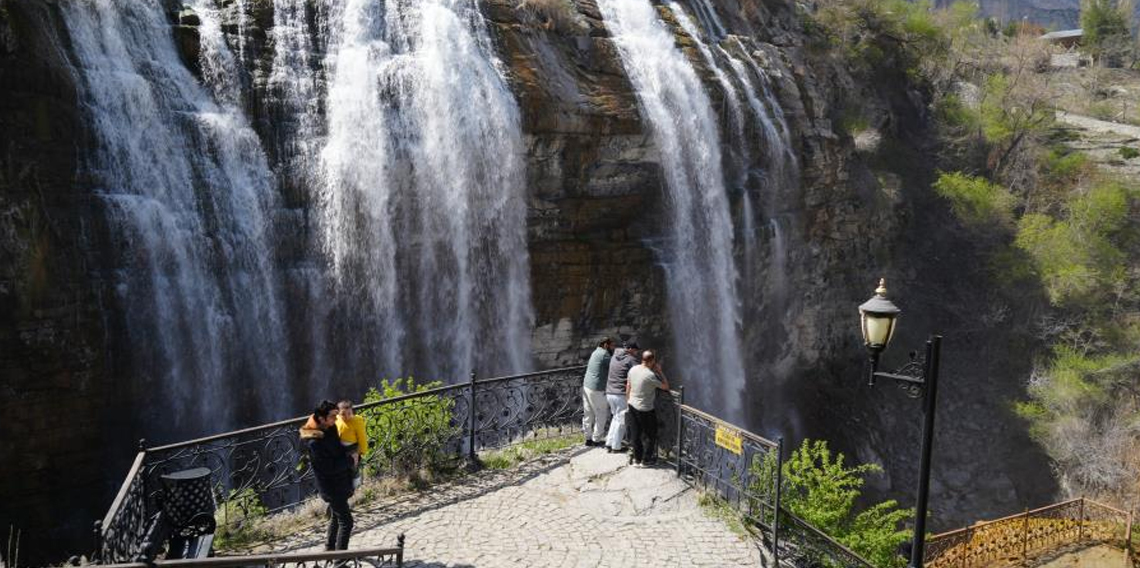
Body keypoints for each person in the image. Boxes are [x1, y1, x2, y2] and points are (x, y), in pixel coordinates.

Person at [300, 400, 354, 550]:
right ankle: (339, 562)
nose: (336, 419)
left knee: (337, 517)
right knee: (347, 522)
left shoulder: (331, 428)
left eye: (337, 415)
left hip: (340, 481)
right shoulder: (314, 443)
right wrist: (349, 460)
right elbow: (328, 468)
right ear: (321, 418)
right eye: (332, 416)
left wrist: (351, 452)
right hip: (331, 487)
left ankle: (329, 549)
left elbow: (338, 450)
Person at [626, 350, 670, 467]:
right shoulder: (650, 375)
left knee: (636, 434)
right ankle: (646, 460)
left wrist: (627, 401)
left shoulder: (633, 369)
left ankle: (637, 459)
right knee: (651, 434)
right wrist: (660, 371)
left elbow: (628, 387)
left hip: (632, 405)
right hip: (645, 409)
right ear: (652, 361)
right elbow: (666, 386)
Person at [604, 340, 641, 453]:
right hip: (620, 394)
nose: (636, 352)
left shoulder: (614, 356)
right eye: (635, 350)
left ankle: (609, 443)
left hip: (610, 392)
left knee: (615, 418)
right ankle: (616, 446)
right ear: (630, 349)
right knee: (622, 420)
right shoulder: (630, 359)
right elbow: (639, 373)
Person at [581, 337, 614, 447]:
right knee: (601, 413)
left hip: (586, 386)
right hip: (597, 389)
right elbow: (613, 367)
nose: (612, 348)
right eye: (611, 345)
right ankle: (596, 439)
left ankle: (588, 438)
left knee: (588, 413)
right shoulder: (605, 354)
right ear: (605, 345)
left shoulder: (595, 352)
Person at [336, 400, 369, 488]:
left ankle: (356, 486)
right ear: (338, 413)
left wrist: (360, 452)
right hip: (341, 449)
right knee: (343, 469)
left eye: (349, 413)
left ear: (352, 412)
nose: (346, 416)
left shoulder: (357, 421)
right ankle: (345, 487)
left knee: (354, 469)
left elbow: (362, 438)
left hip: (352, 450)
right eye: (343, 414)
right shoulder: (337, 419)